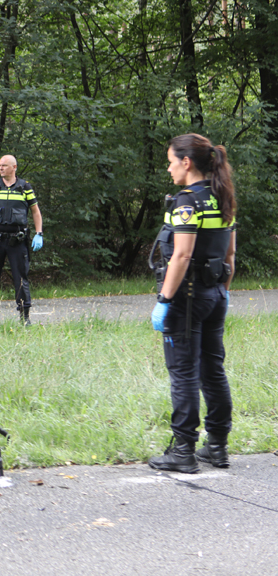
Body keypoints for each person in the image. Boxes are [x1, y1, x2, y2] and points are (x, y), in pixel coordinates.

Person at [148, 134, 237, 474]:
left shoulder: (186, 202)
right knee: (213, 370)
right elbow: (229, 254)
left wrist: (164, 300)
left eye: (171, 161)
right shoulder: (221, 195)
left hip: (187, 299)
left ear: (187, 162)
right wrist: (223, 292)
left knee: (183, 373)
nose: (169, 168)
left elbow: (182, 255)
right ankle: (217, 446)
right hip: (215, 294)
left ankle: (183, 450)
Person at [0, 155, 44, 326]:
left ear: (14, 167)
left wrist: (39, 233)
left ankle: (24, 317)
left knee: (20, 279)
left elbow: (35, 211)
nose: (1, 168)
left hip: (17, 241)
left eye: (4, 165)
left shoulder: (24, 187)